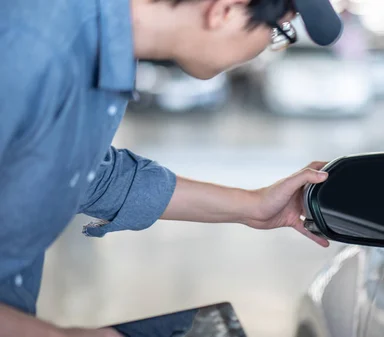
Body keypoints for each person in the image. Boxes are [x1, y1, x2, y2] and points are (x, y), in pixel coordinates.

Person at [0, 0, 343, 335]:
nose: (267, 48)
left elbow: (83, 173)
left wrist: (254, 205)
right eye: (277, 32)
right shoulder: (28, 43)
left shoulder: (94, 46)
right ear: (226, 10)